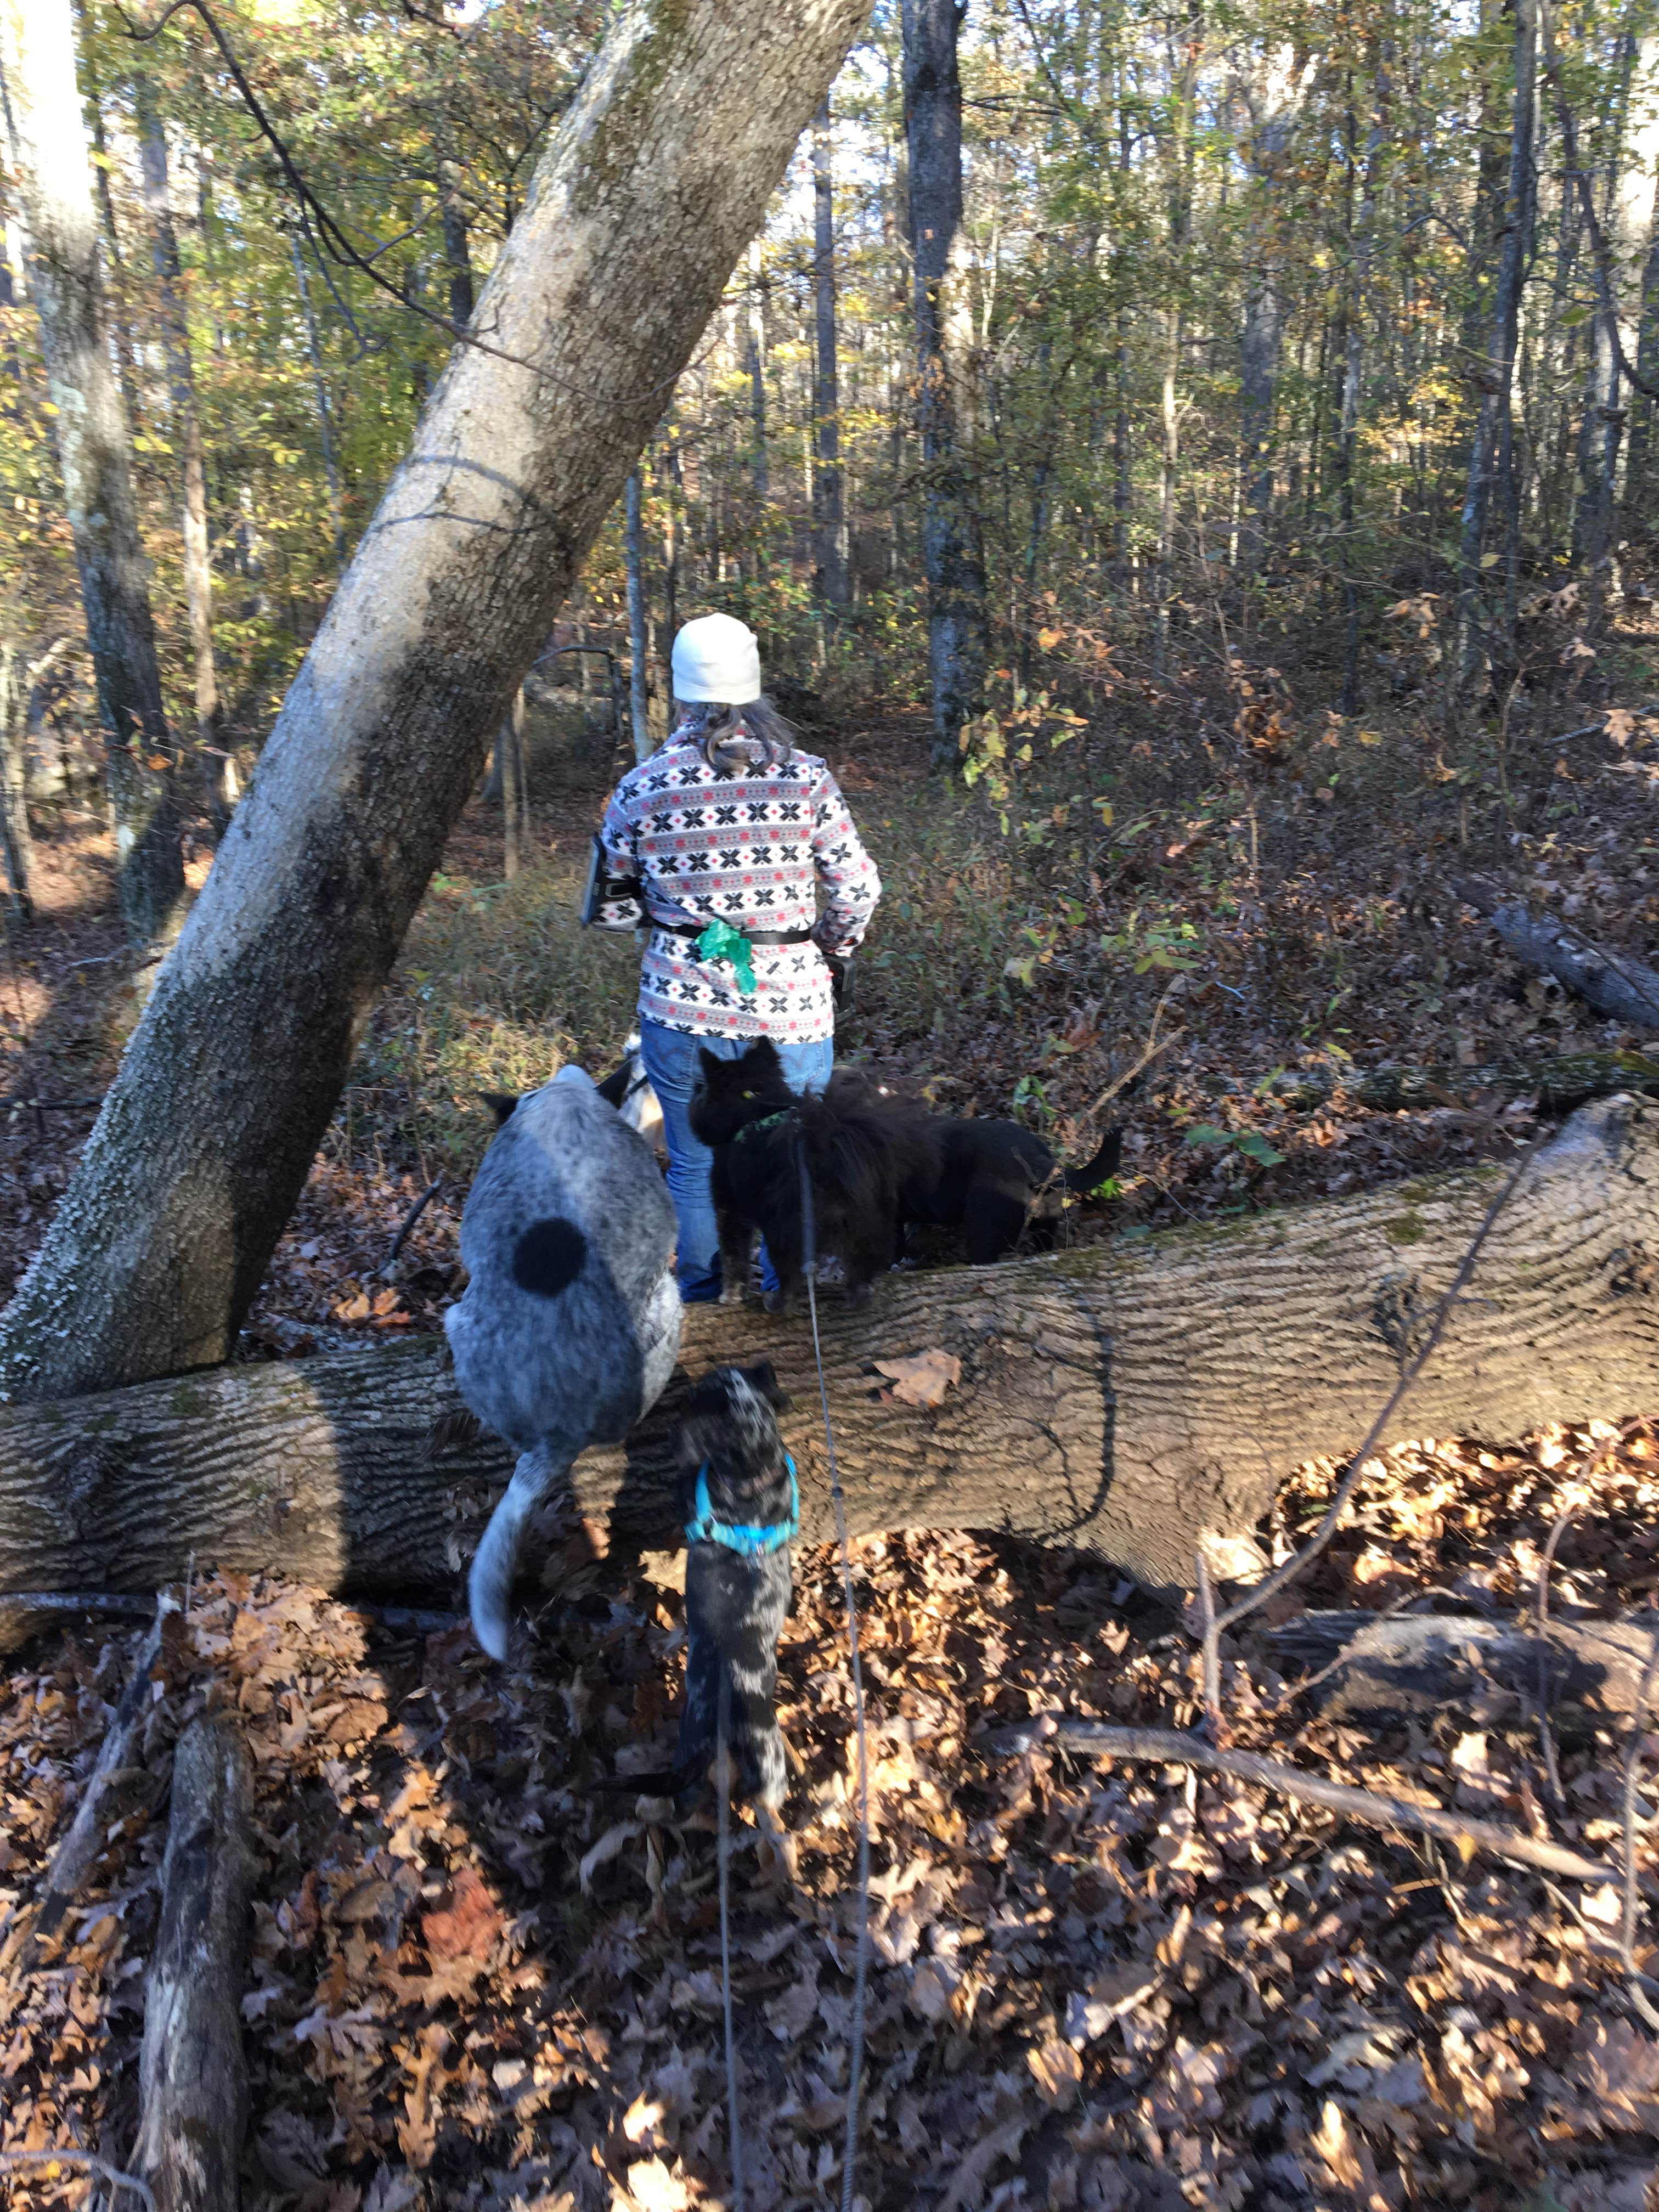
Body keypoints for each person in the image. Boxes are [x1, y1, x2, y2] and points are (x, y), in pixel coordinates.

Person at [595, 612, 881, 1301]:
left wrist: (671, 921)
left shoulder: (643, 786)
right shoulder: (806, 779)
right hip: (793, 1006)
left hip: (679, 1002)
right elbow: (859, 888)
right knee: (795, 1162)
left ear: (680, 688)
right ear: (756, 684)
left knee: (693, 1167)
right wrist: (833, 948)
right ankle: (792, 1291)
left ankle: (702, 1300)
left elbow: (610, 904)